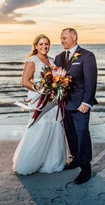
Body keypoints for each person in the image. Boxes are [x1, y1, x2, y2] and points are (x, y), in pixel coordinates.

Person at [12, 34, 67, 175]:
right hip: (39, 98)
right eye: (41, 44)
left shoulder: (52, 60)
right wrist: (41, 90)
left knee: (54, 125)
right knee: (38, 126)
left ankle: (51, 161)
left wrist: (57, 88)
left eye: (47, 44)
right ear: (36, 46)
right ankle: (31, 162)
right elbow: (25, 81)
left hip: (53, 100)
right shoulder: (32, 60)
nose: (44, 47)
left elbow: (56, 79)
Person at [55, 28, 98, 185]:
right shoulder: (58, 58)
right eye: (61, 38)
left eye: (65, 38)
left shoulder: (87, 56)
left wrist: (86, 102)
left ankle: (86, 169)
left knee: (82, 134)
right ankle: (75, 159)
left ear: (74, 37)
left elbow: (90, 81)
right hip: (64, 104)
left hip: (80, 105)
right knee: (70, 134)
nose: (62, 41)